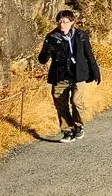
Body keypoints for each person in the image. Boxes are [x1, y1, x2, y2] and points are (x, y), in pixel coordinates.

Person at [37, 10, 101, 143]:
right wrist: (48, 48)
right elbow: (42, 59)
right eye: (59, 21)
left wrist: (95, 72)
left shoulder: (81, 35)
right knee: (61, 104)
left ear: (72, 22)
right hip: (60, 76)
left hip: (78, 75)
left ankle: (78, 126)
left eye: (65, 22)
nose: (62, 25)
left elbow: (89, 54)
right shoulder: (52, 37)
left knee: (77, 102)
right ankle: (67, 131)